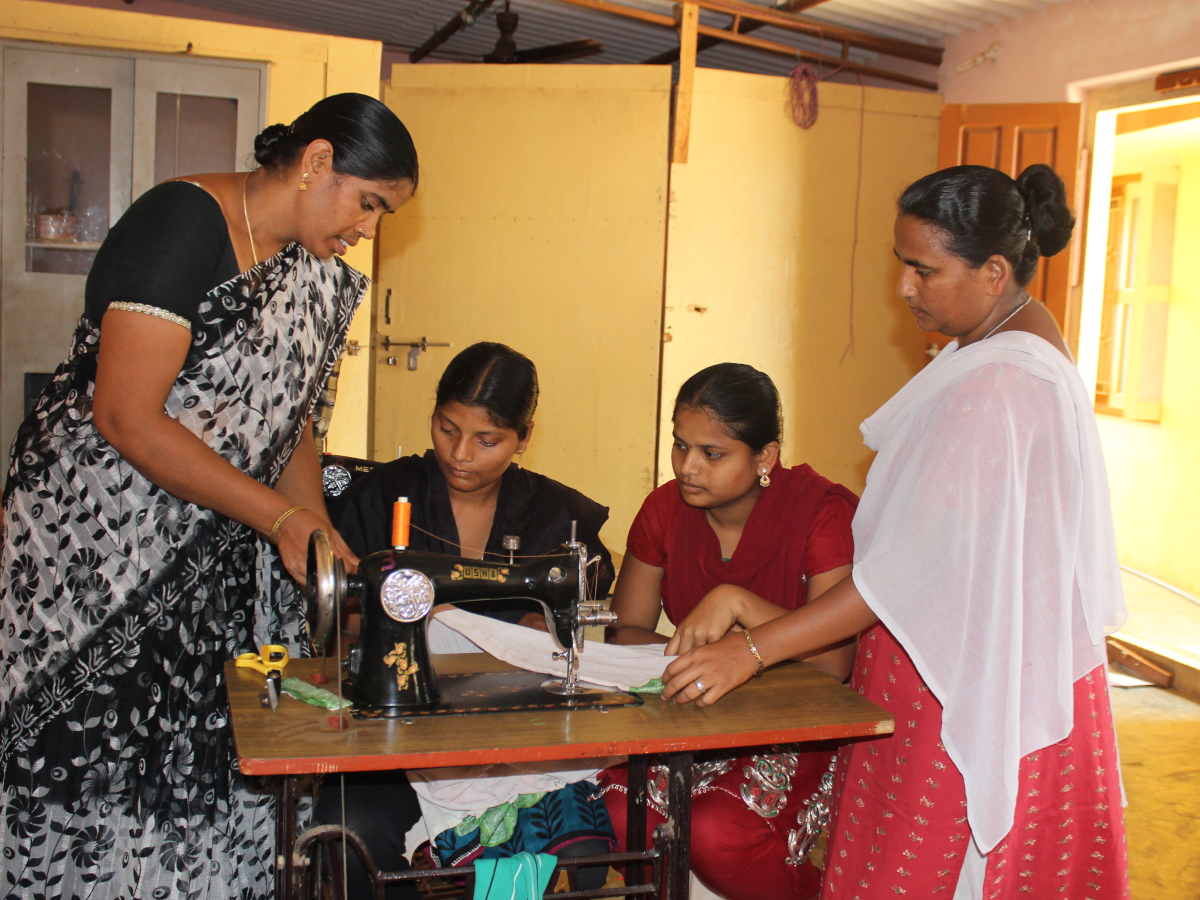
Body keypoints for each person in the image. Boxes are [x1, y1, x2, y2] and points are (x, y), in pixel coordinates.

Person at [658, 165, 1130, 899]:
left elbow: (900, 577)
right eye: (901, 265)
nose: (904, 288)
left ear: (994, 271)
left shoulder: (993, 388)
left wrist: (748, 652)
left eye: (924, 270)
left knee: (924, 872)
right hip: (1001, 657)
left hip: (955, 680)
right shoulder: (1025, 339)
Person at [0, 93, 417, 898]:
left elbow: (287, 421)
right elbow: (125, 415)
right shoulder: (182, 222)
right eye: (369, 202)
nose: (368, 228)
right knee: (100, 751)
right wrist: (278, 517)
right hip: (97, 552)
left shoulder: (308, 272)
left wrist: (315, 532)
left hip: (214, 540)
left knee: (201, 755)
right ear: (318, 162)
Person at [317, 342, 618, 897]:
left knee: (582, 837)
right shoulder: (378, 497)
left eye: (488, 440)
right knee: (354, 827)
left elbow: (577, 610)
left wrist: (539, 631)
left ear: (524, 437)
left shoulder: (561, 516)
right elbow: (349, 631)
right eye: (447, 428)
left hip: (520, 739)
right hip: (397, 732)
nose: (460, 454)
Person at [600, 362, 859, 900]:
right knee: (619, 808)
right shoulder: (664, 510)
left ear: (765, 456)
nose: (687, 467)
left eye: (711, 454)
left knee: (720, 830)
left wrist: (736, 604)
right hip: (701, 706)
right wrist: (711, 657)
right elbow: (626, 632)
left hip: (799, 719)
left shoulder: (819, 512)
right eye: (679, 446)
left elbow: (835, 662)